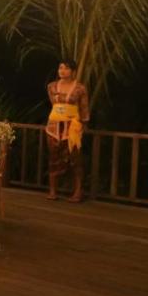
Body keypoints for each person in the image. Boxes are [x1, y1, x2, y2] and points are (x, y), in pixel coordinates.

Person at [46, 60, 89, 202]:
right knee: (53, 157)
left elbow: (84, 107)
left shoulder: (80, 88)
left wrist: (83, 124)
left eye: (66, 68)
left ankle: (78, 191)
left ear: (73, 71)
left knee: (75, 158)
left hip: (72, 127)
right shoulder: (51, 86)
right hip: (54, 127)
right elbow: (54, 104)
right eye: (60, 68)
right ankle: (53, 190)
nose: (62, 71)